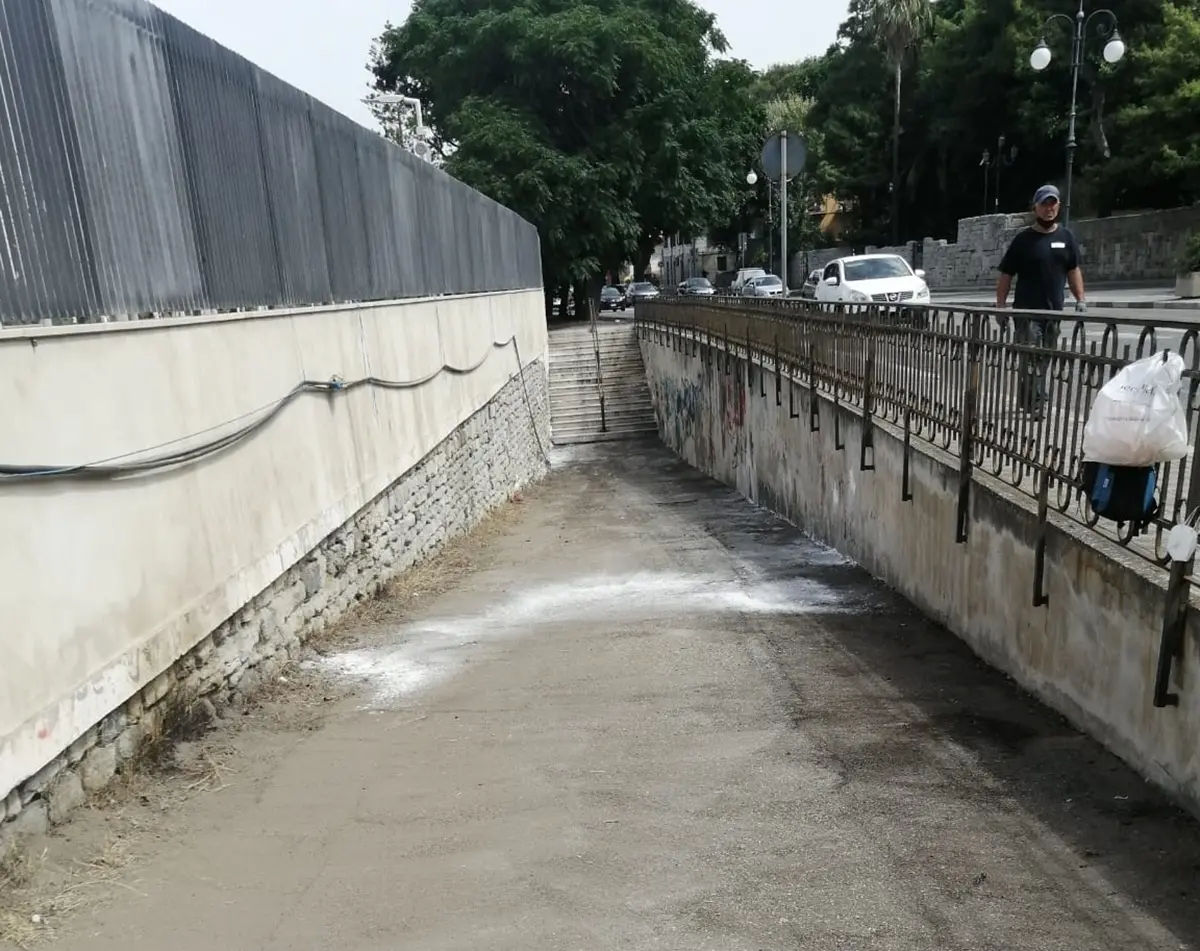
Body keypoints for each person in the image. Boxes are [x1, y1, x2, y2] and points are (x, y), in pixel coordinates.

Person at [995, 184, 1087, 419]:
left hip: (1054, 311)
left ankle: (1029, 397)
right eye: (1044, 204)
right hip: (1027, 312)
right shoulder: (1023, 240)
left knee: (1044, 358)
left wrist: (1081, 299)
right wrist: (1001, 307)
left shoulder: (1066, 237)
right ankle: (1038, 402)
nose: (1049, 208)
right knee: (1033, 356)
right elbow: (1006, 274)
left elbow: (1073, 270)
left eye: (1053, 203)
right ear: (1035, 207)